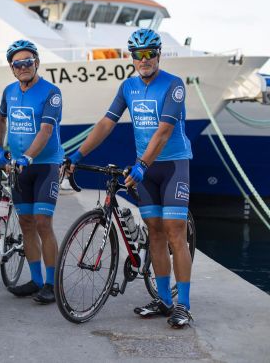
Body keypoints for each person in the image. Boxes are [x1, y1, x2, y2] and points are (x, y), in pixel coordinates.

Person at [66, 28, 193, 328]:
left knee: (175, 231)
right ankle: (163, 299)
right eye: (139, 54)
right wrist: (77, 155)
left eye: (150, 53)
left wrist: (142, 165)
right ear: (132, 57)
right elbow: (106, 123)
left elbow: (163, 132)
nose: (145, 59)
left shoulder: (173, 85)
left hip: (172, 165)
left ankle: (183, 305)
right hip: (145, 169)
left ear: (159, 54)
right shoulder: (128, 87)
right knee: (155, 233)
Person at [0, 40, 65, 304]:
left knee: (43, 223)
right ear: (12, 68)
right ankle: (35, 280)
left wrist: (28, 156)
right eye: (17, 64)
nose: (23, 67)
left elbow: (46, 130)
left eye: (27, 62)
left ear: (36, 63)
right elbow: (0, 119)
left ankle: (51, 282)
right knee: (25, 223)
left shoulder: (51, 92)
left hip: (45, 165)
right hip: (19, 166)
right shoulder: (9, 91)